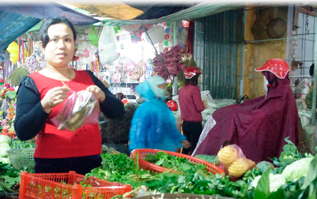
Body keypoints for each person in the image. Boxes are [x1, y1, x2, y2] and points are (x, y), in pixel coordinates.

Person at [14, 17, 124, 175]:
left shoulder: (88, 77)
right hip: (51, 169)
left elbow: (119, 112)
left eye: (67, 39)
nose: (61, 46)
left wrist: (103, 97)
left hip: (91, 165)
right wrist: (44, 106)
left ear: (74, 45)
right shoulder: (31, 83)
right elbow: (22, 132)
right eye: (54, 40)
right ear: (42, 46)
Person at [194, 58, 300, 163]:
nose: (263, 79)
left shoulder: (280, 98)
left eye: (264, 76)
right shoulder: (280, 94)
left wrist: (236, 117)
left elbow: (263, 116)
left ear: (271, 77)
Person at [129, 76, 191, 153]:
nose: (163, 88)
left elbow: (169, 127)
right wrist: (137, 151)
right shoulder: (145, 108)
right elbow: (138, 132)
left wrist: (179, 139)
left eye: (164, 85)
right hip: (147, 152)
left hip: (165, 151)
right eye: (159, 86)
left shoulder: (163, 107)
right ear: (152, 88)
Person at [178, 67, 207, 155]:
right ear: (194, 78)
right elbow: (200, 107)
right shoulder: (195, 89)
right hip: (194, 124)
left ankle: (180, 164)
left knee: (186, 148)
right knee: (195, 148)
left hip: (185, 124)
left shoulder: (182, 89)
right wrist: (204, 104)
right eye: (198, 77)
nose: (199, 79)